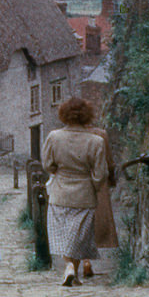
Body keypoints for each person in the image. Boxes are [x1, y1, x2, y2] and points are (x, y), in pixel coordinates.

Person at [43, 97, 107, 286]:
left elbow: (47, 164)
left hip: (60, 192)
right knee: (78, 236)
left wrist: (58, 171)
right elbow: (100, 173)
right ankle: (74, 271)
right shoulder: (96, 141)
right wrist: (93, 187)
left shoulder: (54, 137)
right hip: (84, 194)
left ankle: (69, 267)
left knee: (64, 234)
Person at [81, 123, 118, 278]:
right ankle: (89, 259)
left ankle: (85, 260)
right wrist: (111, 180)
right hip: (99, 181)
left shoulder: (72, 135)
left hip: (80, 182)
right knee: (97, 220)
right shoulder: (101, 134)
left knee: (81, 220)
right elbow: (109, 162)